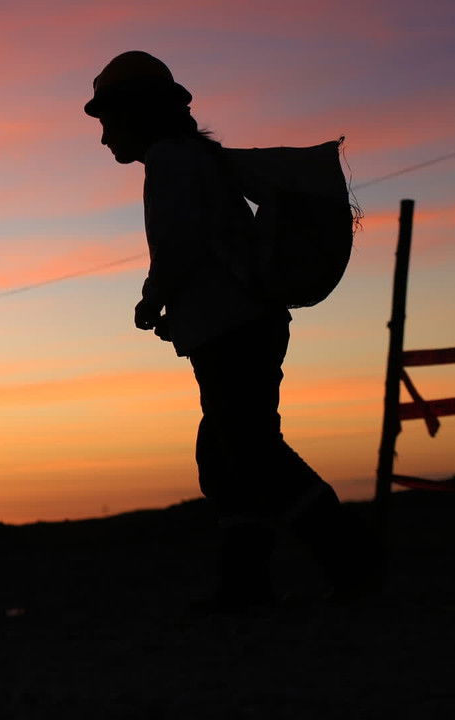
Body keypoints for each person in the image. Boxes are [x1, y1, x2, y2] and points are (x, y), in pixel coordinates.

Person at [83, 52, 380, 610]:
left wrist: (153, 298)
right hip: (239, 326)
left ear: (137, 113)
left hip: (233, 330)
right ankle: (247, 585)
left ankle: (351, 562)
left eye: (108, 121)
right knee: (227, 455)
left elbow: (178, 243)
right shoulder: (193, 159)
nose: (104, 138)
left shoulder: (171, 161)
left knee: (251, 451)